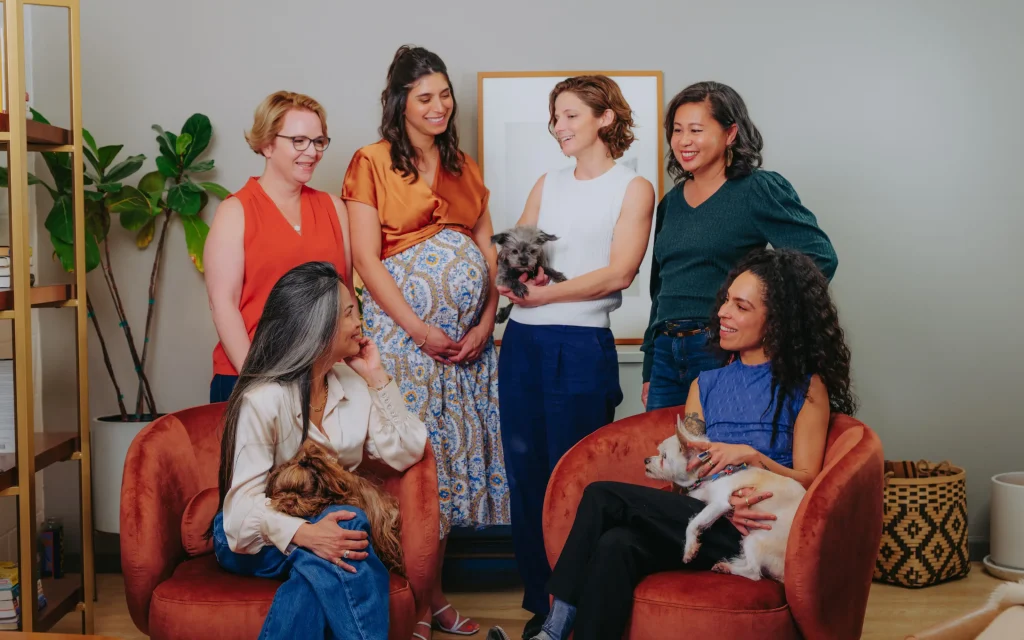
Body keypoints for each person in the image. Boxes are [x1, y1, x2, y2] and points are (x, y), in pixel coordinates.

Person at [487, 247, 857, 640]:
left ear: (778, 320)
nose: (723, 313)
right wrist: (702, 483)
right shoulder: (705, 385)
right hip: (705, 519)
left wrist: (754, 458)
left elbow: (810, 481)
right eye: (726, 300)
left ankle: (552, 631)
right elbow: (685, 480)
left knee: (601, 496)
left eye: (741, 306)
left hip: (758, 530)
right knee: (615, 544)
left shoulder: (806, 389)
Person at [341, 44, 507, 637]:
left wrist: (485, 322)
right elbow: (364, 256)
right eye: (425, 97)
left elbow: (489, 252)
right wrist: (419, 327)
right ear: (400, 102)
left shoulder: (466, 166)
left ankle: (433, 596)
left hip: (465, 353)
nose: (439, 106)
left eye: (444, 94)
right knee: (409, 474)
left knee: (450, 476)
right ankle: (412, 601)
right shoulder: (372, 160)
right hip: (404, 345)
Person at [495, 74, 655, 638]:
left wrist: (544, 294)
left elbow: (620, 272)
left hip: (580, 346)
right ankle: (542, 609)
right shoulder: (548, 181)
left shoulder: (633, 189)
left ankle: (575, 609)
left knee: (575, 482)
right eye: (554, 118)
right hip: (521, 345)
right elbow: (520, 252)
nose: (558, 127)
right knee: (526, 479)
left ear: (605, 118)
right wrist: (512, 287)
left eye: (569, 116)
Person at [212, 261, 428, 640]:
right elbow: (239, 516)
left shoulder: (352, 382)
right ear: (318, 324)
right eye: (348, 313)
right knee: (348, 525)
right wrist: (304, 533)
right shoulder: (263, 399)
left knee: (318, 573)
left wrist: (376, 377)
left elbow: (407, 451)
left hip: (327, 523)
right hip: (255, 536)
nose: (359, 322)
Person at [641, 81, 838, 412]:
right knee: (671, 459)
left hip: (722, 348)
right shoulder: (670, 202)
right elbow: (660, 289)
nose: (683, 141)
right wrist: (650, 367)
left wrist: (759, 319)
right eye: (676, 130)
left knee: (722, 456)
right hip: (665, 355)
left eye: (696, 129)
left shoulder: (757, 189)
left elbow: (819, 257)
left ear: (730, 133)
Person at [204, 90, 351, 403]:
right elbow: (223, 304)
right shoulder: (236, 211)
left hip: (323, 381)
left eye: (319, 141)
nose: (311, 152)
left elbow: (344, 298)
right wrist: (256, 383)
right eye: (298, 141)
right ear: (267, 144)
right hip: (250, 378)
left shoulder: (334, 209)